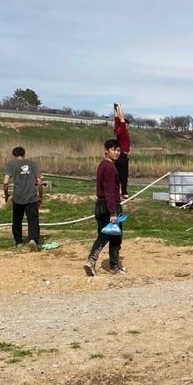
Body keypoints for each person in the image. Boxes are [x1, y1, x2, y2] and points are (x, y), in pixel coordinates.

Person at [84, 139, 125, 276]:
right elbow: (109, 190)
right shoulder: (109, 167)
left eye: (118, 150)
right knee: (113, 237)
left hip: (100, 205)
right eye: (114, 149)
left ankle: (107, 264)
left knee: (105, 235)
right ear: (106, 150)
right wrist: (113, 212)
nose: (116, 153)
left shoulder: (102, 165)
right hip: (109, 206)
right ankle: (105, 264)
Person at [3, 146, 43, 251]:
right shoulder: (33, 164)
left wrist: (6, 194)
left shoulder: (10, 164)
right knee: (33, 219)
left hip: (18, 197)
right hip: (31, 197)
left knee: (17, 220)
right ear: (24, 154)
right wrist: (41, 196)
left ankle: (19, 242)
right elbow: (39, 182)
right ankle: (33, 240)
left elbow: (5, 182)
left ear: (13, 155)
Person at [113, 103, 131, 199]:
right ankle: (124, 192)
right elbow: (121, 118)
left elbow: (116, 118)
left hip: (117, 156)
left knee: (118, 174)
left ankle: (117, 191)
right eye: (127, 125)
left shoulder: (117, 128)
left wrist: (115, 108)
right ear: (125, 124)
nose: (128, 126)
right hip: (123, 156)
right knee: (124, 175)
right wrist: (120, 107)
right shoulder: (123, 129)